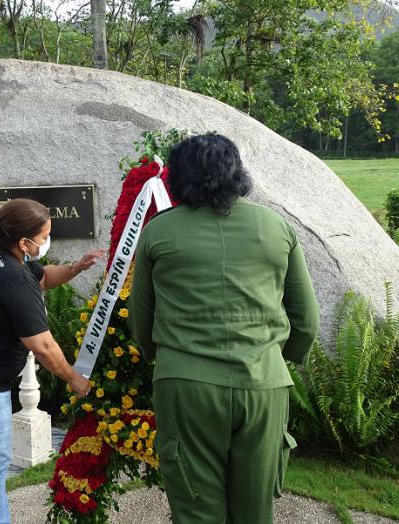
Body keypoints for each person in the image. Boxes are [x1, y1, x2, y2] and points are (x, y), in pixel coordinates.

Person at [128, 134, 320, 524]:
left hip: (185, 388)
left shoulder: (159, 233)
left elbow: (141, 322)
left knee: (197, 509)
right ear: (237, 173)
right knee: (255, 512)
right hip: (263, 386)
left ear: (177, 177)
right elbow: (306, 321)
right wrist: (272, 360)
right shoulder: (276, 227)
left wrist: (166, 361)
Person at [0, 198, 103, 524]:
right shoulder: (12, 279)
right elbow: (42, 346)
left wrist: (74, 268)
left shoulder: (0, 254)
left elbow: (42, 278)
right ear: (24, 242)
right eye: (44, 237)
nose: (46, 242)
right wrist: (73, 378)